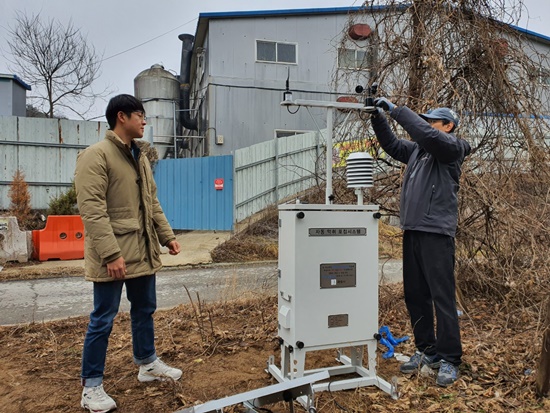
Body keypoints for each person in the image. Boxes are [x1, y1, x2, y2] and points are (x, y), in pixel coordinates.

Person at [75, 94, 182, 413]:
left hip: (143, 250)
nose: (145, 121)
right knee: (103, 318)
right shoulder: (95, 156)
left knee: (145, 308)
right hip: (114, 254)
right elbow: (91, 210)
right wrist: (110, 254)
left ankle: (147, 363)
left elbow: (151, 203)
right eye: (140, 115)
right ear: (121, 117)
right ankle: (91, 386)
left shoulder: (141, 157)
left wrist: (167, 237)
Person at [370, 97, 471, 387]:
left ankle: (450, 358)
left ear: (448, 126)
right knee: (416, 295)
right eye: (425, 120)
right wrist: (378, 117)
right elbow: (392, 146)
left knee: (442, 298)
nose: (426, 125)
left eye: (432, 121)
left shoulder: (453, 148)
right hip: (413, 229)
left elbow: (424, 134)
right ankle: (427, 350)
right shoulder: (418, 151)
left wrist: (397, 111)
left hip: (437, 233)